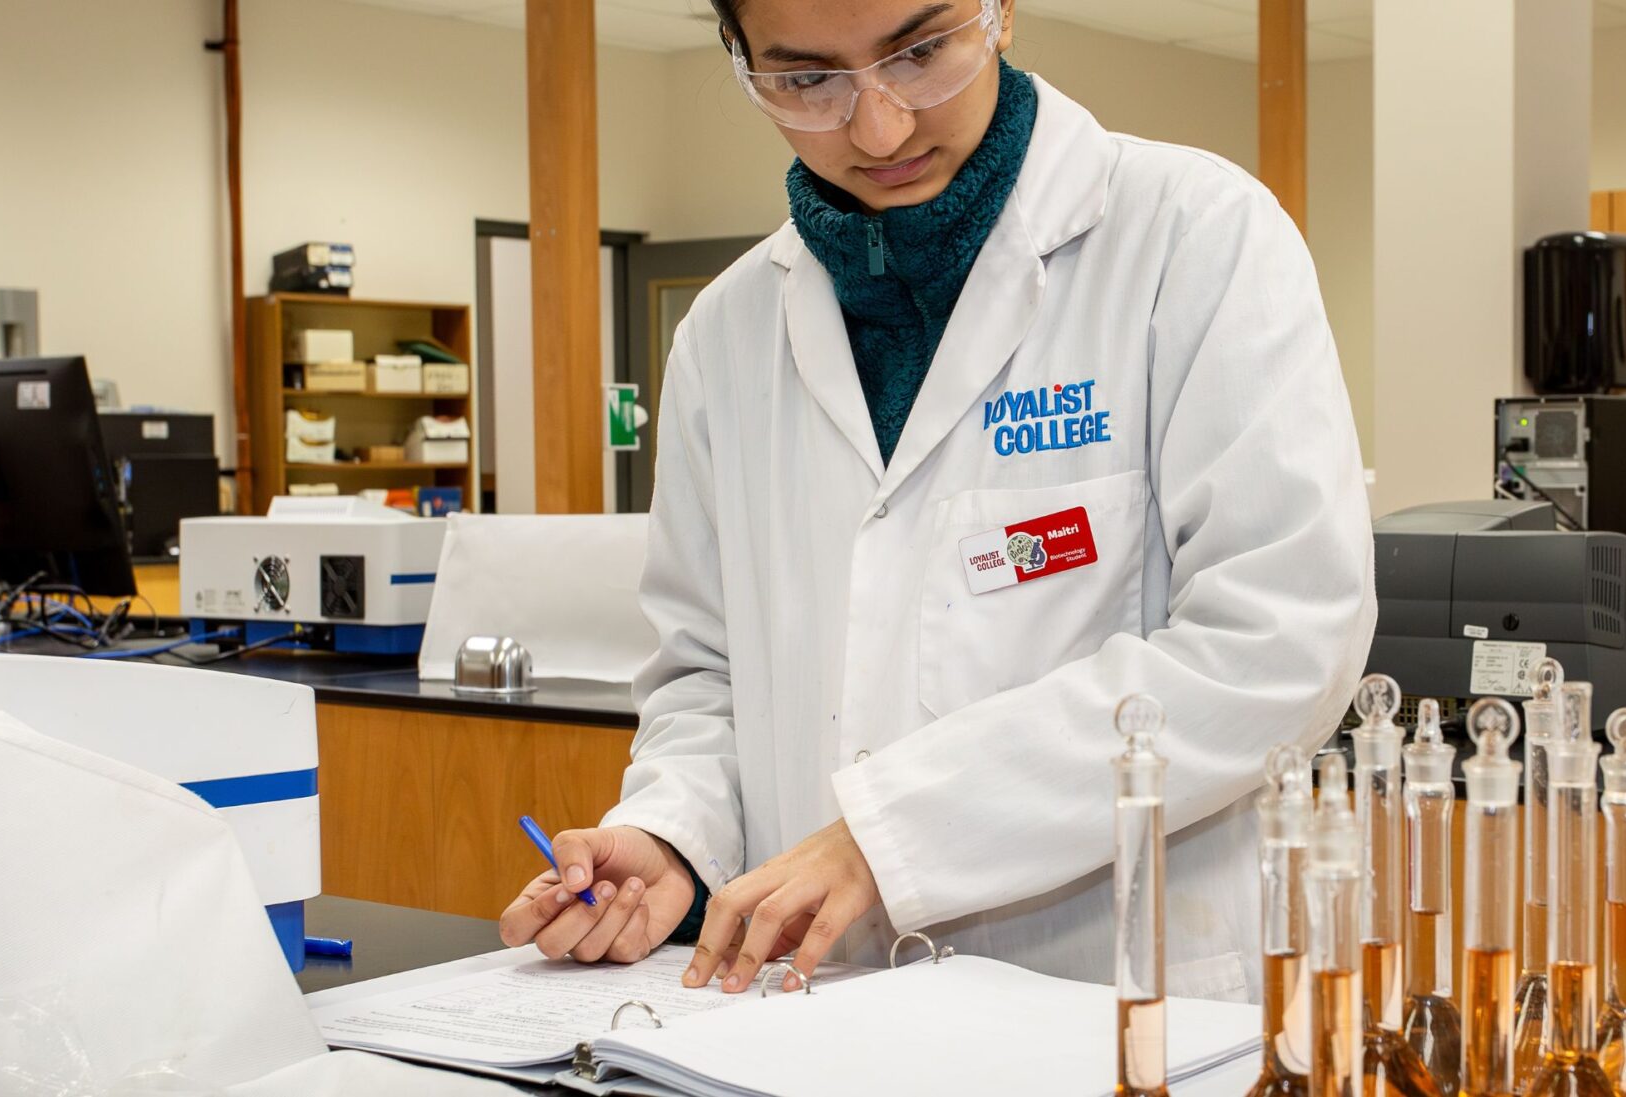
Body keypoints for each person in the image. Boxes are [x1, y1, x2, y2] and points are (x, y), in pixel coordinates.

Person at [496, 0, 1374, 1002]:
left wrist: (894, 831)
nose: (879, 128)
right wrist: (669, 832)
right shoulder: (727, 332)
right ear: (741, 60)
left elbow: (1280, 635)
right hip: (816, 1010)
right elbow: (706, 671)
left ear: (999, 11)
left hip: (1118, 994)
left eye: (919, 53)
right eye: (806, 80)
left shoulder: (1194, 238)